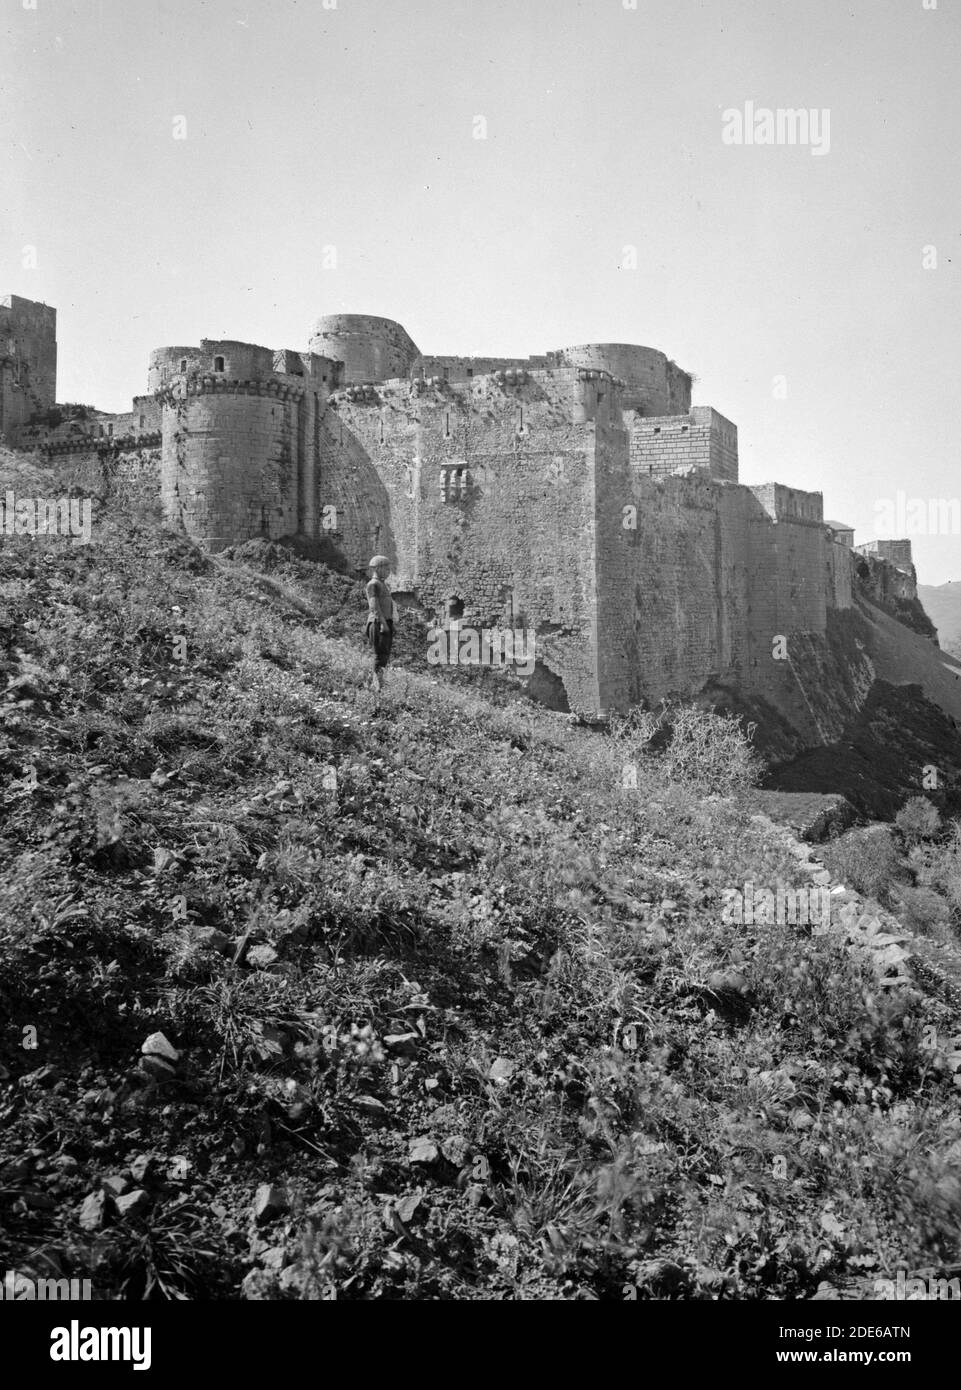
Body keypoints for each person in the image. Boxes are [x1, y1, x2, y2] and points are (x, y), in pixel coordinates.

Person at [365, 555, 395, 693]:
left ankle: (380, 683)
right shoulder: (373, 584)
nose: (388, 571)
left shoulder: (382, 584)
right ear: (377, 568)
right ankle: (376, 684)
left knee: (385, 655)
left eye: (389, 568)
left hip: (385, 622)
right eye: (386, 568)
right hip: (377, 623)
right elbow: (374, 607)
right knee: (379, 654)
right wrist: (383, 624)